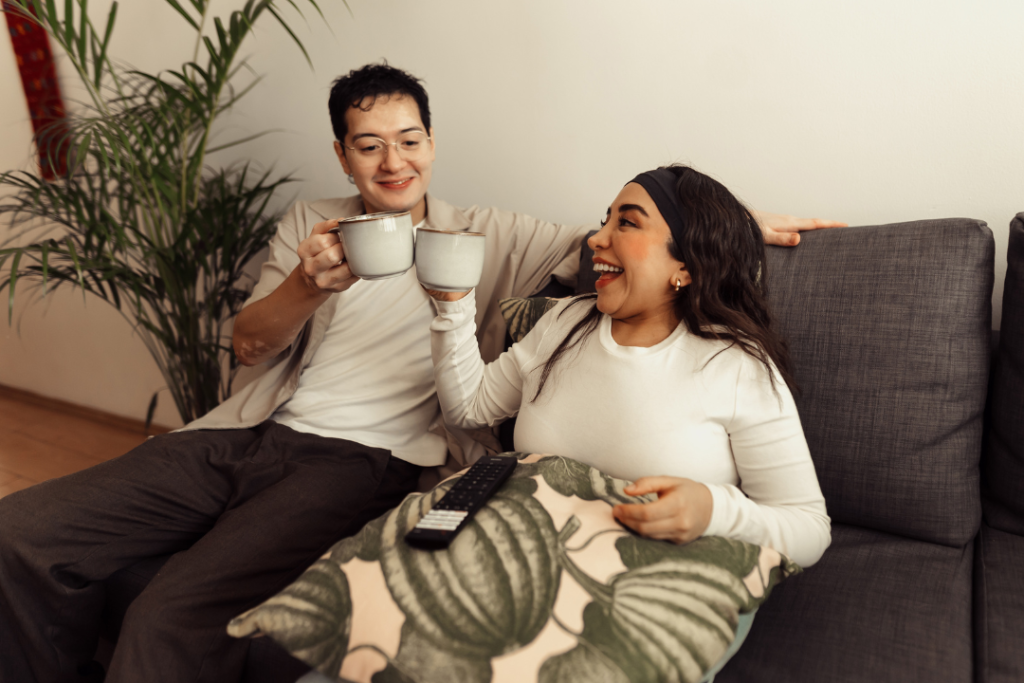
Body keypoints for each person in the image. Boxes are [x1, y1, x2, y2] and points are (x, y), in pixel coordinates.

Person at [0, 62, 838, 683]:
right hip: (247, 434)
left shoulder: (490, 234)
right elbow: (248, 346)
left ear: (433, 143)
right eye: (370, 146)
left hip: (366, 462)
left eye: (409, 140)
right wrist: (304, 284)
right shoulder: (313, 225)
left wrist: (728, 223)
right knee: (20, 534)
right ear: (343, 154)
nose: (393, 162)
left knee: (169, 610)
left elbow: (623, 240)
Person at [428, 164, 830, 567]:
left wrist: (714, 510)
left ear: (685, 266)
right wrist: (453, 305)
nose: (596, 239)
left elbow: (809, 528)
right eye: (605, 221)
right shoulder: (563, 322)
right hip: (519, 556)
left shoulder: (737, 365)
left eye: (627, 223)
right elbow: (469, 409)